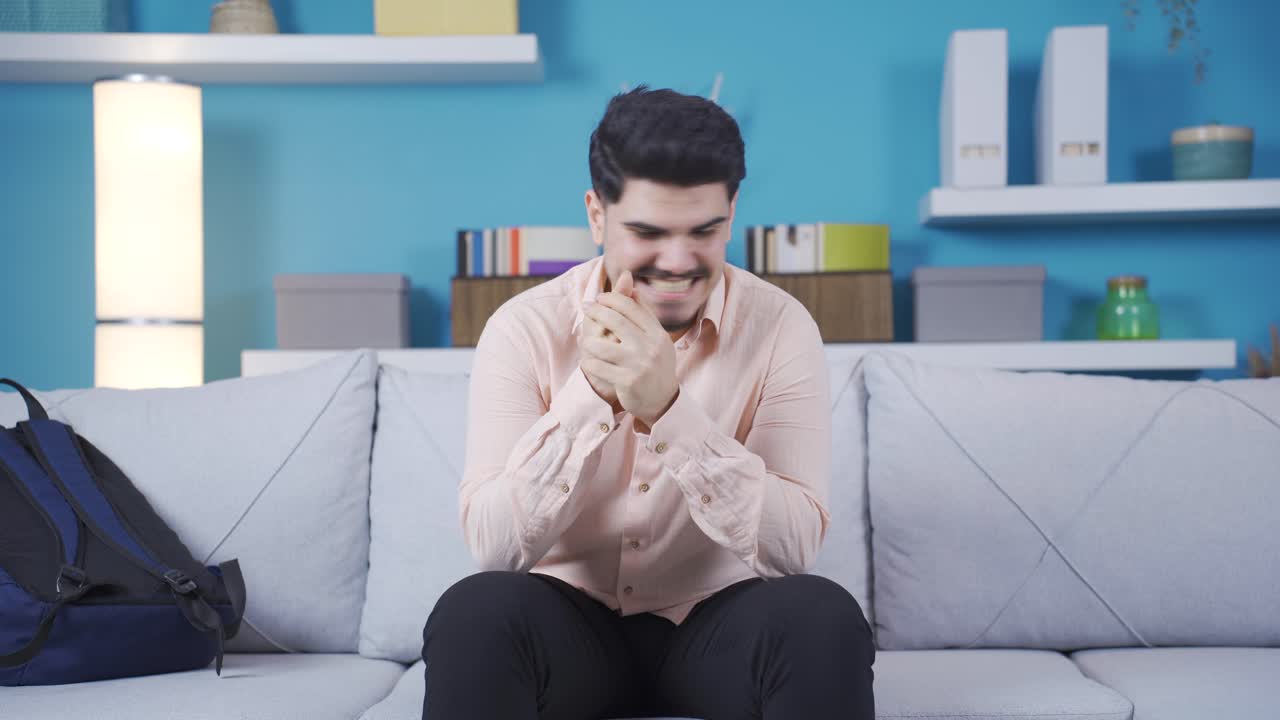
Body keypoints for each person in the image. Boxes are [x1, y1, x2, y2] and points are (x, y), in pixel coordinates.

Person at [421, 86, 875, 720]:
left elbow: (794, 547)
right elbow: (496, 550)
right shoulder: (523, 328)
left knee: (823, 616)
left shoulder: (780, 327)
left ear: (732, 213)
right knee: (475, 610)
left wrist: (670, 413)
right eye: (647, 232)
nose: (678, 261)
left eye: (704, 231)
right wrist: (595, 395)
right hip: (569, 627)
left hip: (715, 626)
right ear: (597, 215)